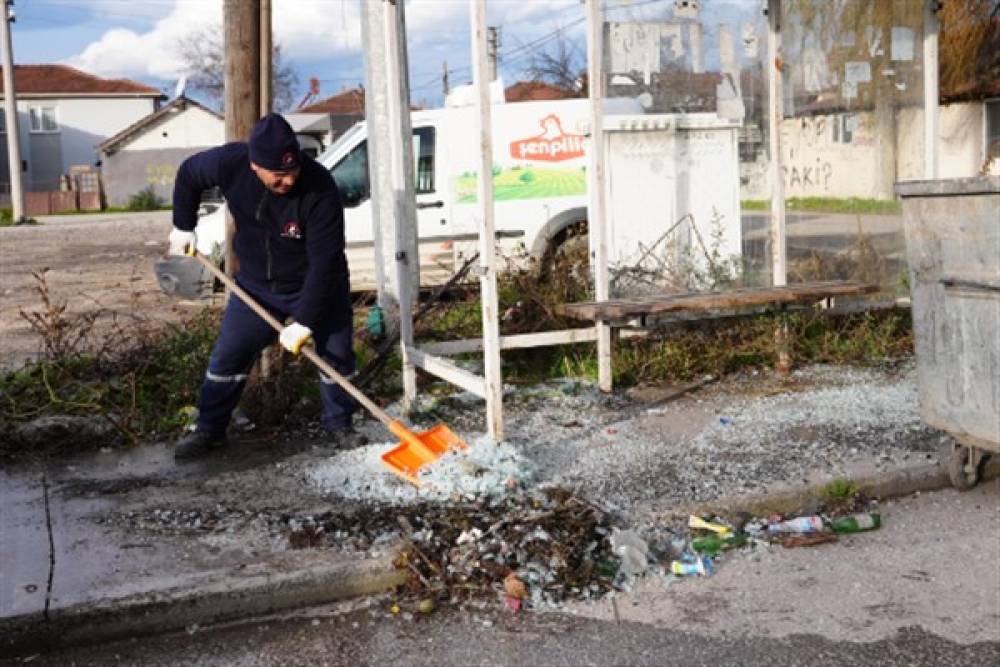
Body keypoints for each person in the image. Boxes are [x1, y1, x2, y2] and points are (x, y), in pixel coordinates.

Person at [167, 113, 365, 460]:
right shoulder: (229, 163)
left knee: (336, 357)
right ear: (255, 165)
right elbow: (188, 174)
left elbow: (326, 262)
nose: (288, 180)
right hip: (256, 286)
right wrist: (184, 225)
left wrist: (303, 320)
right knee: (228, 357)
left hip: (316, 284)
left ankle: (341, 426)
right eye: (279, 174)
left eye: (293, 171)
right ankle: (209, 431)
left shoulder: (318, 188)